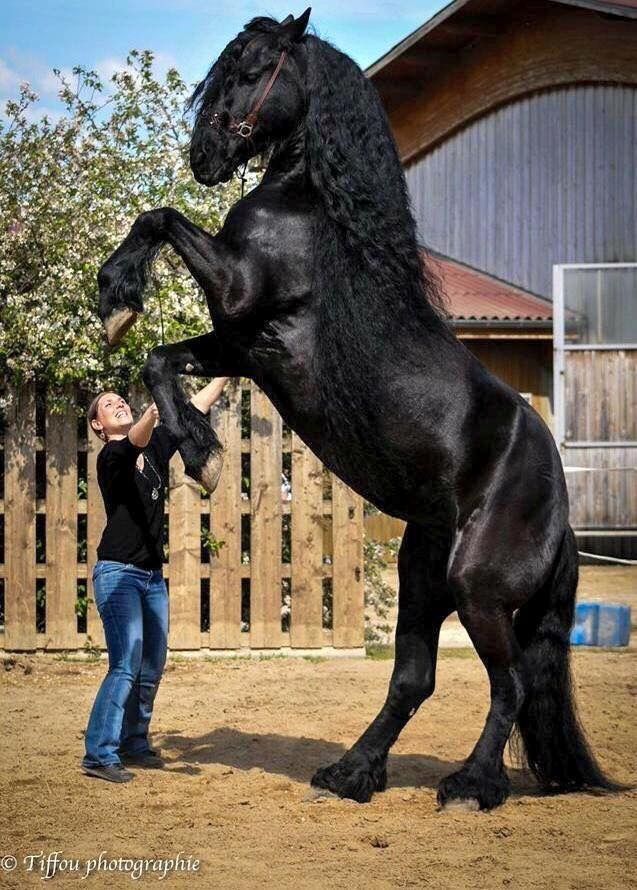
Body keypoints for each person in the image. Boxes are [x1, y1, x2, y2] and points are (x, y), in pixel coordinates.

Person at [81, 378, 228, 783]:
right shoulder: (111, 457)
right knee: (125, 664)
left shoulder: (158, 447)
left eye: (121, 400)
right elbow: (134, 443)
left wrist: (225, 372)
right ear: (99, 425)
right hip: (117, 574)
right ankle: (98, 753)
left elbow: (191, 409)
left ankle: (135, 743)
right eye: (110, 405)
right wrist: (149, 414)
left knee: (151, 667)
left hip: (151, 576)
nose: (119, 403)